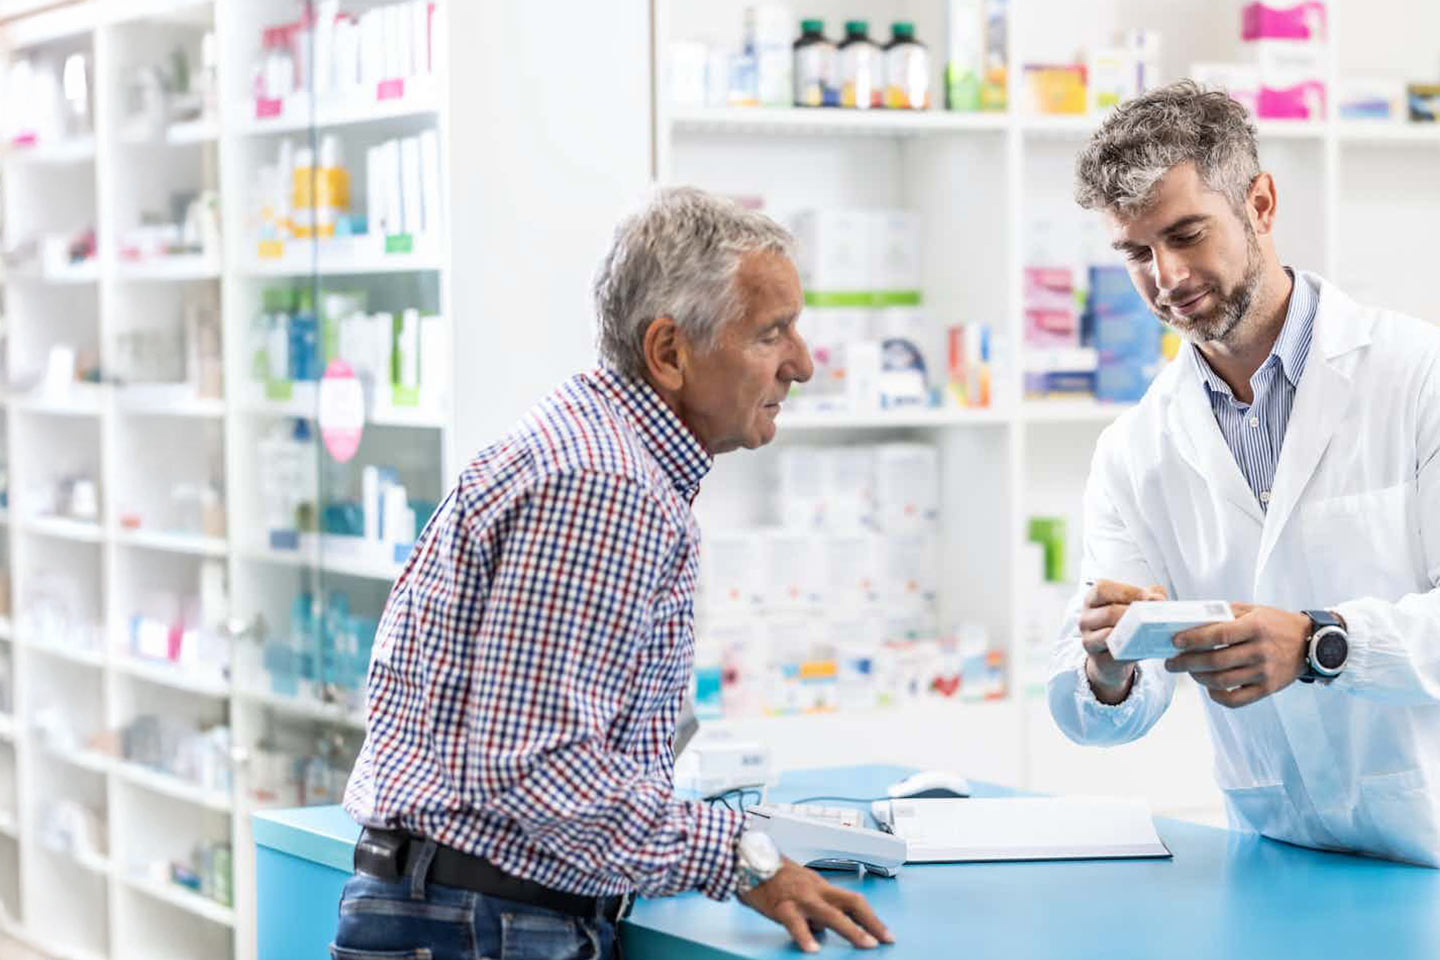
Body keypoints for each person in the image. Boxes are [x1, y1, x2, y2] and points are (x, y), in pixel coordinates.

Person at [333, 187, 894, 959]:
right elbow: (539, 763)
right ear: (669, 352)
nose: (802, 363)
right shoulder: (606, 483)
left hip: (463, 908)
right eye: (772, 334)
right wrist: (744, 859)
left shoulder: (597, 446)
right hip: (483, 924)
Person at [1048, 81, 1440, 866]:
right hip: (1282, 856)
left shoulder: (1419, 377)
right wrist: (1108, 664)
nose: (1166, 278)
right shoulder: (1135, 448)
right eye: (1136, 252)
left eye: (1188, 233)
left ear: (1259, 203)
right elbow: (1105, 717)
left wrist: (1322, 644)